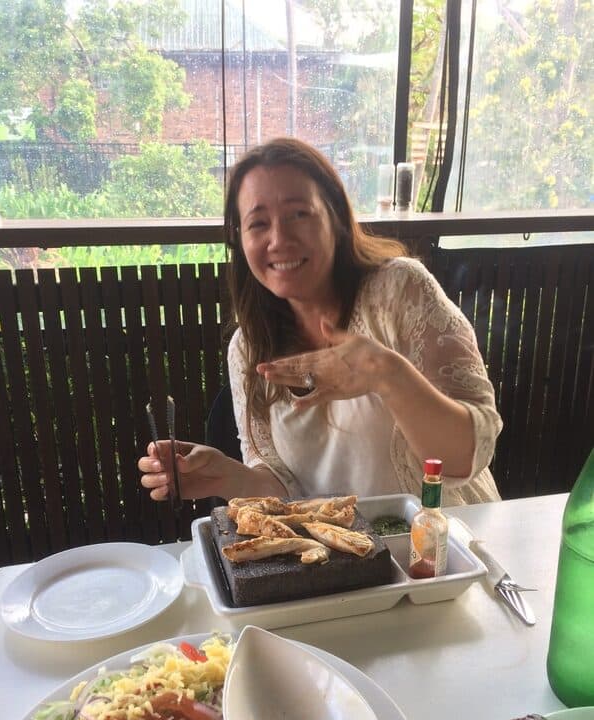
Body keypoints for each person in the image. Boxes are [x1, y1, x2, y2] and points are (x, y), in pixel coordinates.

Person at [139, 137, 502, 506]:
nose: (279, 239)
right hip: (341, 558)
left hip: (444, 546)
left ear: (337, 218)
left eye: (299, 214)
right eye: (258, 223)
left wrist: (385, 374)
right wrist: (228, 476)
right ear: (240, 240)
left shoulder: (400, 290)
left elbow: (467, 456)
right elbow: (287, 487)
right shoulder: (247, 349)